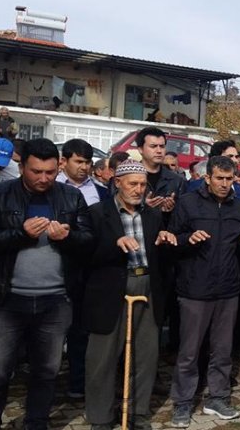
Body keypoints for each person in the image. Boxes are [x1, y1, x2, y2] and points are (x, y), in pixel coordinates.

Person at [0, 138, 93, 430]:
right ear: (22, 165)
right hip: (5, 301)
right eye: (36, 171)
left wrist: (69, 238)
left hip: (55, 302)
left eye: (50, 172)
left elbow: (89, 242)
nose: (43, 178)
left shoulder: (71, 197)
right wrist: (20, 233)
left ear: (59, 166)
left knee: (46, 372)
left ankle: (36, 423)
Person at [167, 156, 240, 427]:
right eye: (219, 178)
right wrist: (188, 239)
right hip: (194, 288)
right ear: (207, 178)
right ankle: (183, 403)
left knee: (222, 350)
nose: (223, 184)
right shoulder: (187, 204)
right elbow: (171, 239)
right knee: (189, 352)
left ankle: (218, 398)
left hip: (228, 289)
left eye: (229, 179)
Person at [83, 160, 177, 430]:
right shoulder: (98, 213)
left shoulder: (153, 214)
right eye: (132, 184)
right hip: (111, 290)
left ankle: (139, 413)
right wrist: (115, 245)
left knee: (145, 356)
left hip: (147, 286)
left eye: (142, 185)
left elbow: (163, 258)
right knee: (102, 358)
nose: (138, 190)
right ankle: (101, 417)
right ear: (117, 183)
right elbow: (85, 256)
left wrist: (167, 242)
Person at [58, 138, 110, 398]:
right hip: (55, 267)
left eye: (88, 162)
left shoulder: (101, 193)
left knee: (80, 330)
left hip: (89, 270)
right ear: (63, 161)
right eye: (78, 161)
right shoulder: (50, 188)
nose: (84, 167)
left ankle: (78, 383)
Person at [135, 127, 185, 216]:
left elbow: (183, 215)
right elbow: (114, 209)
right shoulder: (127, 177)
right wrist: (141, 206)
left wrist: (171, 210)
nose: (159, 151)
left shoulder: (177, 181)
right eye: (153, 146)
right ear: (140, 149)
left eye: (162, 146)